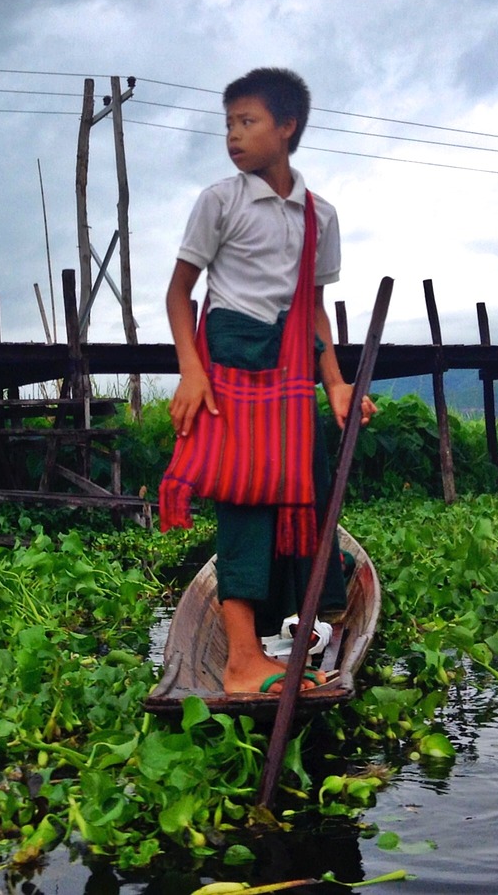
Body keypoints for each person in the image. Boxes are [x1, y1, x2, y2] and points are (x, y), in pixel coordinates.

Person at [164, 67, 376, 695]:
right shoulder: (220, 201)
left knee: (298, 500)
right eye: (228, 122)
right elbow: (180, 294)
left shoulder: (319, 216)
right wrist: (191, 373)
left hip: (290, 371)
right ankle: (240, 661)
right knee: (245, 497)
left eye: (247, 121)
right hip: (229, 360)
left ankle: (276, 640)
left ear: (286, 128)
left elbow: (312, 310)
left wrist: (335, 384)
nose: (233, 134)